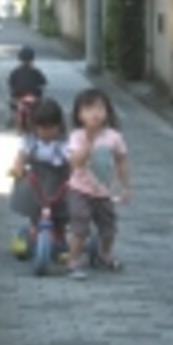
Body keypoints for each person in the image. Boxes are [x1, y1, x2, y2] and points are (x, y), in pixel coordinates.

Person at [66, 88, 131, 280]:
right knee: (80, 226)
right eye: (88, 109)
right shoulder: (77, 136)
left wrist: (125, 185)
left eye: (100, 108)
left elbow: (121, 161)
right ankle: (74, 259)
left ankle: (104, 254)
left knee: (109, 227)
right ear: (79, 114)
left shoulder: (114, 137)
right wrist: (89, 142)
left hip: (103, 191)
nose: (95, 113)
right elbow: (75, 162)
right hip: (79, 190)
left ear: (107, 112)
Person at [9, 99, 71, 255]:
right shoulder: (31, 140)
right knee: (34, 205)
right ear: (35, 127)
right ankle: (33, 230)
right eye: (42, 128)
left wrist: (77, 172)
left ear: (59, 125)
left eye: (51, 128)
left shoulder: (62, 142)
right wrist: (18, 168)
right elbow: (22, 154)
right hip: (38, 177)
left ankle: (60, 236)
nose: (46, 133)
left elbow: (71, 159)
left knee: (61, 209)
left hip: (58, 178)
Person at [7, 46, 47, 127]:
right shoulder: (35, 72)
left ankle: (13, 118)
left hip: (18, 95)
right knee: (40, 104)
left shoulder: (15, 72)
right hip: (33, 95)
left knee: (13, 104)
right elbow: (43, 82)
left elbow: (10, 82)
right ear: (32, 60)